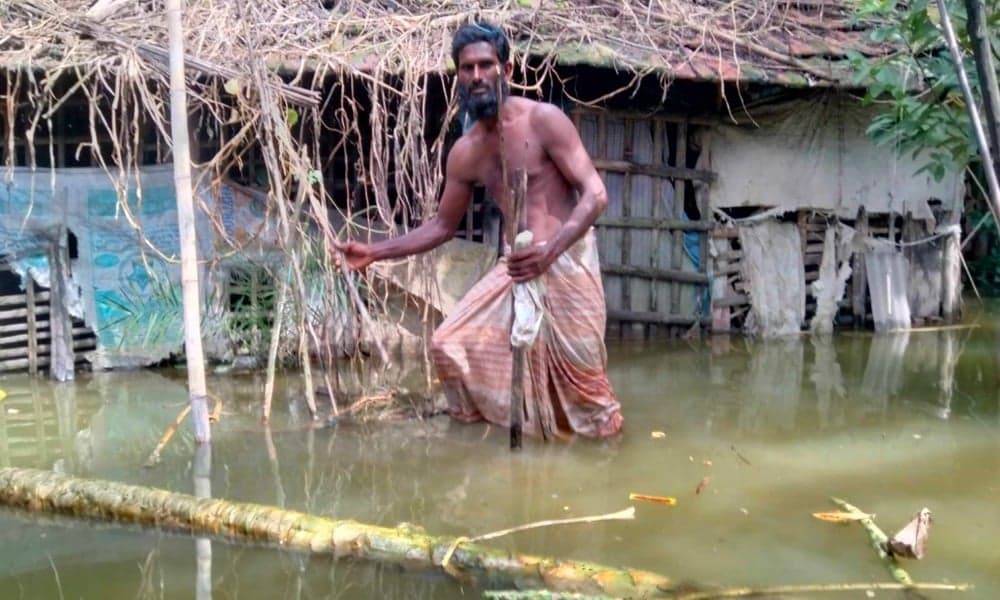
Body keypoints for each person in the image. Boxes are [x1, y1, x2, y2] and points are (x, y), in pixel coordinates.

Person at [334, 23, 622, 438]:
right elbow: (441, 226)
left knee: (587, 390)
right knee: (448, 344)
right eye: (467, 68)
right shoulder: (465, 152)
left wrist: (551, 250)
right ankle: (490, 445)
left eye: (486, 64)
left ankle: (604, 461)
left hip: (568, 262)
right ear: (458, 77)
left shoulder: (544, 121)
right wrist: (375, 252)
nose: (477, 75)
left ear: (506, 69)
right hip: (517, 266)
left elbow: (595, 194)